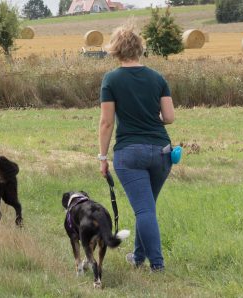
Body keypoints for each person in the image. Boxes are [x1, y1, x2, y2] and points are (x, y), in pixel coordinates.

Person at [98, 22, 175, 272]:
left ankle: (157, 265)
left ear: (116, 50)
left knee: (144, 209)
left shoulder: (111, 79)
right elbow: (170, 117)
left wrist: (102, 156)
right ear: (140, 48)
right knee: (147, 208)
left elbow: (107, 122)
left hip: (129, 153)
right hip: (162, 151)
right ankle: (138, 257)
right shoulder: (157, 77)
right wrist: (153, 119)